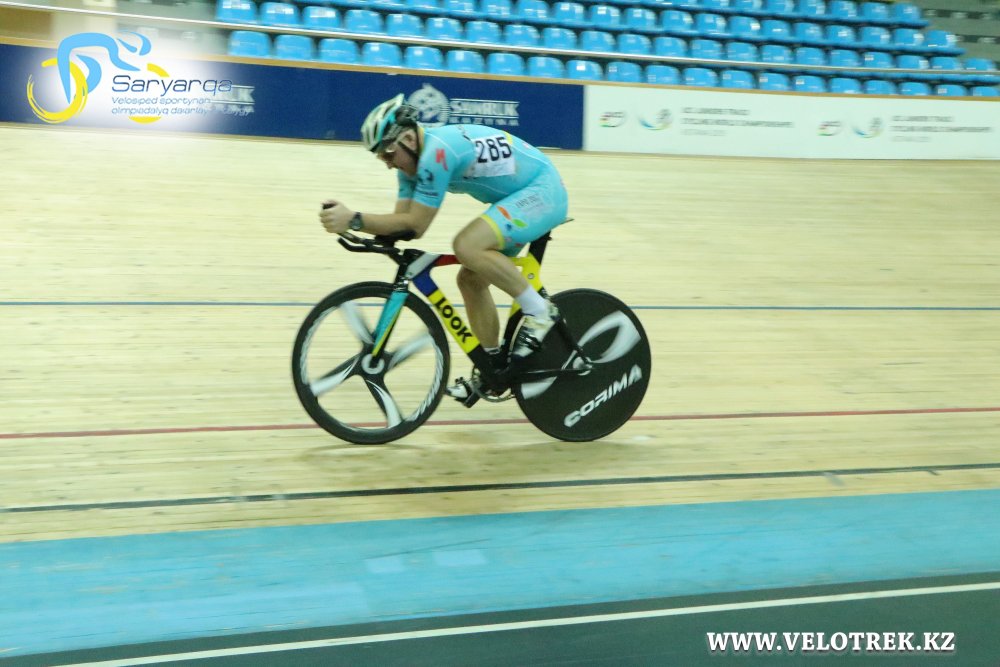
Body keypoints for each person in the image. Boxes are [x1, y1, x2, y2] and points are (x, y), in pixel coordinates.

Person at [319, 94, 569, 401]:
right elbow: (402, 224)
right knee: (470, 279)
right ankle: (494, 368)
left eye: (388, 154)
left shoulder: (437, 154)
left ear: (408, 139)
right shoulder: (409, 166)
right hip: (519, 197)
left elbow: (416, 224)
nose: (388, 164)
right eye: (381, 158)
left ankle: (541, 312)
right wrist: (361, 229)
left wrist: (354, 220)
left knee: (467, 245)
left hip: (542, 191)